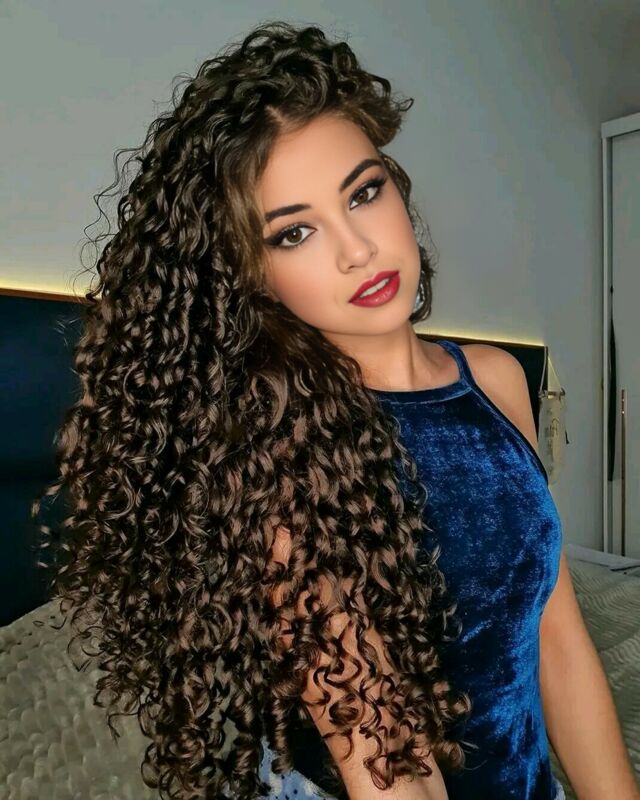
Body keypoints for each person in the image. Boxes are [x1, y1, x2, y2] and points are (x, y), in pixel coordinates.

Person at [32, 19, 632, 800]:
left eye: (364, 192)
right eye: (295, 233)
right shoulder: (279, 450)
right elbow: (384, 764)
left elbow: (557, 637)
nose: (357, 249)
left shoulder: (496, 379)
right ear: (253, 274)